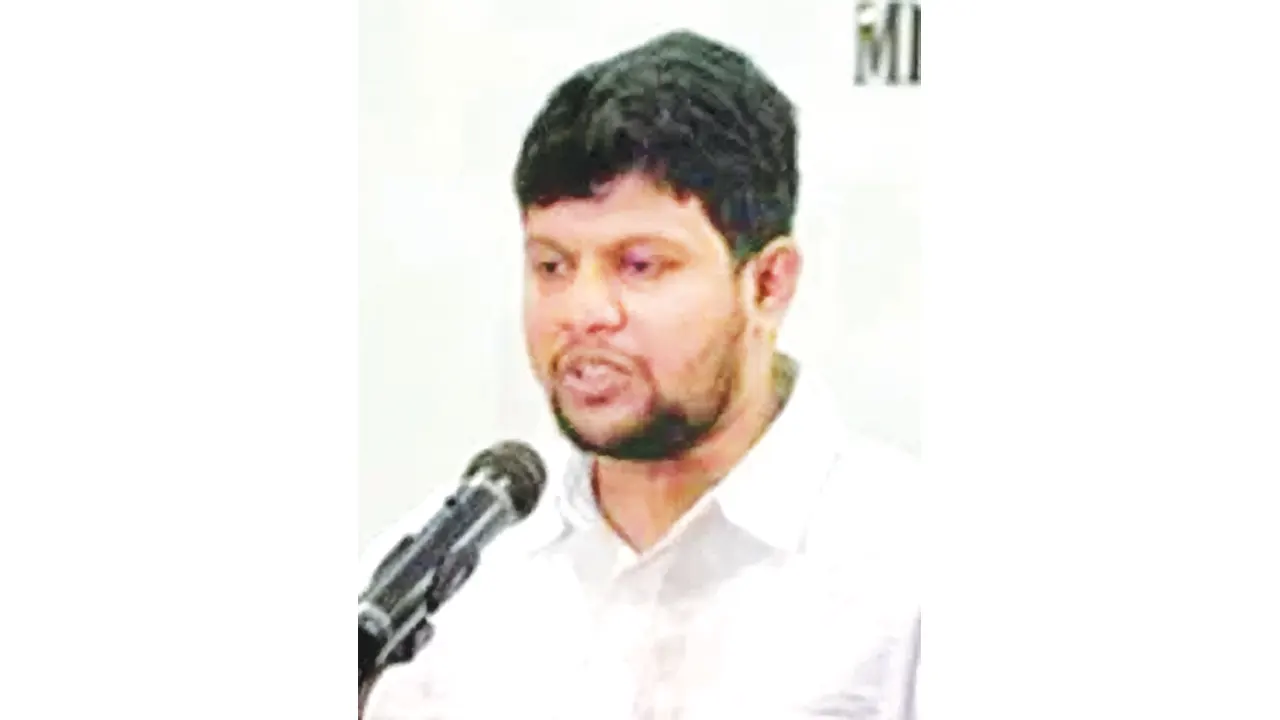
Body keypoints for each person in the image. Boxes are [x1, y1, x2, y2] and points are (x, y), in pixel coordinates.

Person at [360, 29, 920, 719]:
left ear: (768, 284)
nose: (582, 312)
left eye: (640, 266)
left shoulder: (908, 570)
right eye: (552, 266)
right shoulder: (438, 582)